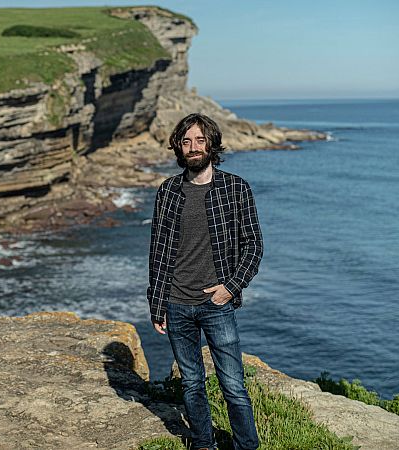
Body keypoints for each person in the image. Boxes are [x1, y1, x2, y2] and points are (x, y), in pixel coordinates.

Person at [147, 113, 262, 450]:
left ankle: (247, 446)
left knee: (233, 386)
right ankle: (202, 444)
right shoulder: (168, 190)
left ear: (211, 144)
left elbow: (254, 245)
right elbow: (157, 251)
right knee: (192, 384)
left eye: (199, 140)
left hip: (216, 303)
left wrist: (231, 287)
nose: (193, 147)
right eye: (186, 141)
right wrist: (157, 305)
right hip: (176, 304)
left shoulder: (236, 188)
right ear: (178, 147)